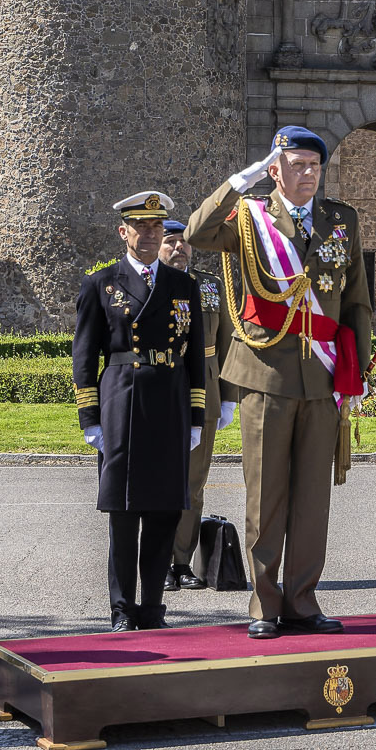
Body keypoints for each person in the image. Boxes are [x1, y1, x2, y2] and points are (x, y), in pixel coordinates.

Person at [187, 125, 372, 639]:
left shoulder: (342, 220)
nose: (308, 173)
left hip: (322, 376)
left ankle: (302, 600)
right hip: (265, 372)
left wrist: (355, 371)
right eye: (297, 164)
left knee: (313, 499)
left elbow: (356, 298)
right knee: (265, 495)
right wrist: (238, 183)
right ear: (275, 169)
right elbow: (198, 233)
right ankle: (264, 604)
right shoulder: (248, 218)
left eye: (315, 164)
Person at [73, 192, 206, 630]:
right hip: (122, 401)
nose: (150, 235)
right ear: (123, 232)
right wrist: (90, 418)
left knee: (166, 512)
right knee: (124, 515)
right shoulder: (101, 284)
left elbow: (195, 359)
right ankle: (122, 609)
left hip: (169, 402)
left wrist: (197, 416)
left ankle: (153, 608)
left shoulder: (183, 285)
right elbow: (84, 357)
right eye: (141, 227)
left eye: (157, 227)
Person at [160, 218, 234, 592]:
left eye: (185, 242)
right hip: (158, 392)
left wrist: (229, 398)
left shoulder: (209, 285)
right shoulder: (146, 282)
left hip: (203, 393)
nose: (179, 248)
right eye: (171, 241)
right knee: (158, 481)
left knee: (193, 482)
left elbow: (226, 343)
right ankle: (156, 560)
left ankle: (181, 562)